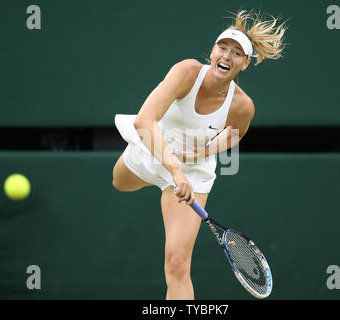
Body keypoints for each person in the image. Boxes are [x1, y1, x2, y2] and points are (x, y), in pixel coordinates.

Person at [112, 10, 286, 300]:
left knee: (178, 264)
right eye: (223, 48)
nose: (227, 56)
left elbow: (235, 133)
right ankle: (157, 179)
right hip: (152, 145)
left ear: (244, 64)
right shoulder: (187, 72)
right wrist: (174, 171)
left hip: (192, 172)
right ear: (212, 52)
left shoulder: (243, 105)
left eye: (237, 53)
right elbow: (144, 122)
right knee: (118, 181)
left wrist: (203, 151)